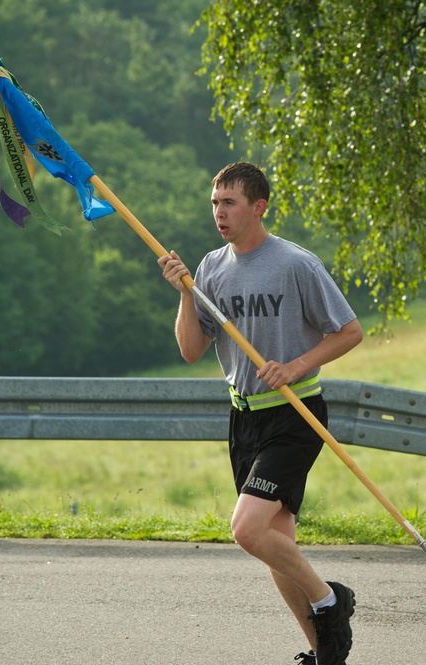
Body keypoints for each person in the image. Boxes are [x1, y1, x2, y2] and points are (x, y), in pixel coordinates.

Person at [158, 162, 363, 665]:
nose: (219, 213)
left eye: (229, 203)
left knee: (248, 531)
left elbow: (349, 332)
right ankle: (324, 653)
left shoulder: (296, 264)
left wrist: (295, 366)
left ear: (259, 206)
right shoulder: (210, 268)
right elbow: (189, 349)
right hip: (243, 418)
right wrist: (186, 292)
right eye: (214, 204)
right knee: (275, 541)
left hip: (294, 416)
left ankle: (331, 602)